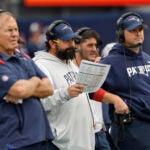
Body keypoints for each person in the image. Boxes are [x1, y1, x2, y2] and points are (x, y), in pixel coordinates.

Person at [33, 20, 95, 150]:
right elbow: (39, 104)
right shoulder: (40, 65)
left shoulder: (70, 63)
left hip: (82, 141)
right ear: (52, 43)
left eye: (72, 40)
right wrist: (65, 93)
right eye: (67, 41)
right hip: (61, 144)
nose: (72, 45)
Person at [0, 10, 55, 150]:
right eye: (8, 30)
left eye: (16, 29)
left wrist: (28, 86)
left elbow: (49, 87)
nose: (14, 34)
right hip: (14, 142)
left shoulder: (23, 56)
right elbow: (19, 89)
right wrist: (36, 81)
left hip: (41, 137)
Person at [99, 12, 150, 150]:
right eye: (133, 30)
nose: (138, 33)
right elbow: (89, 89)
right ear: (121, 34)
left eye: (140, 29)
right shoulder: (110, 61)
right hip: (131, 130)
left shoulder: (146, 58)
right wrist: (114, 99)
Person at [73, 27, 111, 150]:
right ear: (77, 45)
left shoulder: (99, 66)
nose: (94, 49)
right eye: (89, 45)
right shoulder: (68, 69)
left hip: (99, 133)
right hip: (79, 135)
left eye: (95, 45)